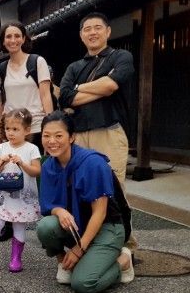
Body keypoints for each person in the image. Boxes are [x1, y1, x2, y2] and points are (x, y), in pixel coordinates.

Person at [37, 111, 134, 293]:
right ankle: (63, 263)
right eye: (46, 135)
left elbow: (100, 212)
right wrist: (59, 211)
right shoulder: (48, 165)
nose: (52, 141)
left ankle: (123, 262)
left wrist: (79, 250)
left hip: (107, 227)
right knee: (45, 227)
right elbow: (49, 205)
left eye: (59, 136)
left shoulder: (92, 163)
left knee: (83, 284)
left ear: (72, 137)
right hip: (78, 224)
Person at [58, 12, 135, 184]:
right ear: (81, 35)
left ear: (108, 32)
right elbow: (64, 97)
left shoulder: (121, 57)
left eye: (98, 28)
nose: (93, 32)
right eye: (88, 29)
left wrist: (76, 88)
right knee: (80, 185)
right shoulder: (74, 67)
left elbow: (110, 86)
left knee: (111, 185)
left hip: (109, 131)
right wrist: (100, 88)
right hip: (78, 134)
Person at [0, 108, 41, 271]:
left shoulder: (32, 148)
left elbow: (36, 171)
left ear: (27, 130)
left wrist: (22, 163)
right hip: (3, 196)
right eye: (8, 129)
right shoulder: (2, 147)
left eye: (15, 129)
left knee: (19, 226)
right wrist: (3, 161)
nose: (10, 133)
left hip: (22, 196)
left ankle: (16, 258)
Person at [0, 21, 54, 152]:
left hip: (35, 126)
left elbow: (46, 95)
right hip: (12, 128)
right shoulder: (2, 68)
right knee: (15, 170)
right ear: (3, 41)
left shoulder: (37, 61)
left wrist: (50, 125)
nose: (13, 40)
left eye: (17, 36)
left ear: (23, 39)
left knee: (37, 168)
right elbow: (2, 101)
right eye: (8, 37)